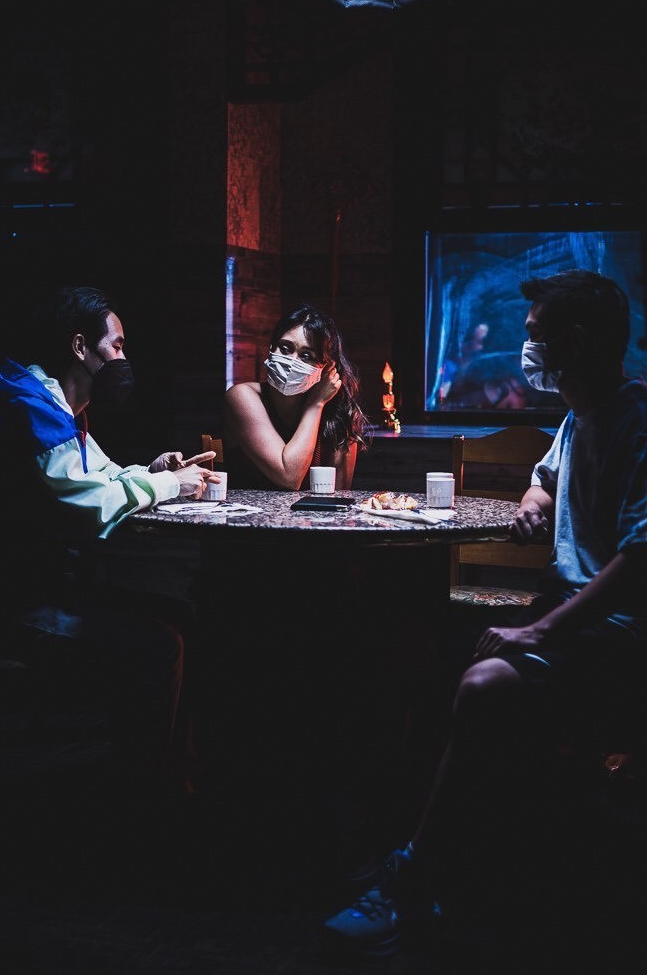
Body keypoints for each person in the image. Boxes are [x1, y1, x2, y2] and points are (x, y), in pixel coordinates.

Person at [321, 269, 647, 959]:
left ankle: (412, 883)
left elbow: (639, 560)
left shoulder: (636, 421)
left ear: (575, 342)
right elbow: (546, 477)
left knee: (483, 685)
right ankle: (447, 861)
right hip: (569, 619)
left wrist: (538, 630)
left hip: (620, 637)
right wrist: (533, 500)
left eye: (536, 336)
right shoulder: (579, 417)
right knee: (418, 653)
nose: (526, 350)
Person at [0, 285, 222, 802]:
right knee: (162, 643)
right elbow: (88, 502)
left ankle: (168, 769)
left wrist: (154, 471)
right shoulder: (32, 408)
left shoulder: (57, 405)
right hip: (23, 605)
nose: (123, 359)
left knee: (184, 617)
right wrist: (169, 486)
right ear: (80, 347)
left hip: (57, 589)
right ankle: (144, 790)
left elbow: (99, 473)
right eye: (116, 346)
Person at [222, 304, 369, 490]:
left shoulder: (338, 415)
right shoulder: (242, 397)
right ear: (271, 348)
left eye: (306, 356)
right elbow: (289, 477)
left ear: (327, 370)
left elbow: (340, 496)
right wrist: (315, 404)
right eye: (285, 348)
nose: (292, 361)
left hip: (311, 511)